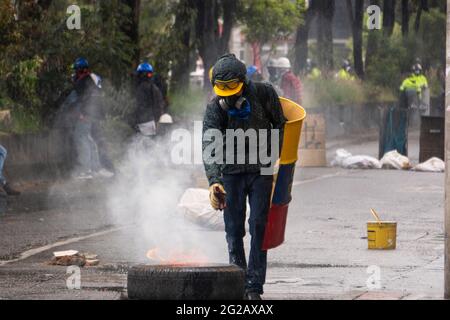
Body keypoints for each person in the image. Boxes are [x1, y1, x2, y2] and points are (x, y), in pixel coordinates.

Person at [202, 53, 286, 300]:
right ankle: (238, 280)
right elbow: (209, 144)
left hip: (260, 171)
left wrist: (274, 154)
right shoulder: (215, 108)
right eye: (223, 92)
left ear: (243, 82)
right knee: (233, 228)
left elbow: (280, 124)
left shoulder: (264, 94)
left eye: (233, 90)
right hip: (231, 173)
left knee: (259, 226)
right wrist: (214, 180)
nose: (228, 97)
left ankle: (254, 287)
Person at [70, 57, 114, 179]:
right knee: (89, 139)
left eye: (76, 70)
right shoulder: (94, 78)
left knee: (80, 137)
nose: (75, 72)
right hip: (96, 113)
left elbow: (85, 98)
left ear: (79, 69)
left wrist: (83, 112)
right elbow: (96, 96)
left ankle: (86, 170)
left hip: (87, 113)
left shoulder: (84, 80)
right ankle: (95, 168)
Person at [134, 62, 165, 138]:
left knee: (143, 145)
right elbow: (160, 106)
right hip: (151, 122)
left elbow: (138, 106)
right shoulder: (154, 88)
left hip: (144, 122)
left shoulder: (140, 88)